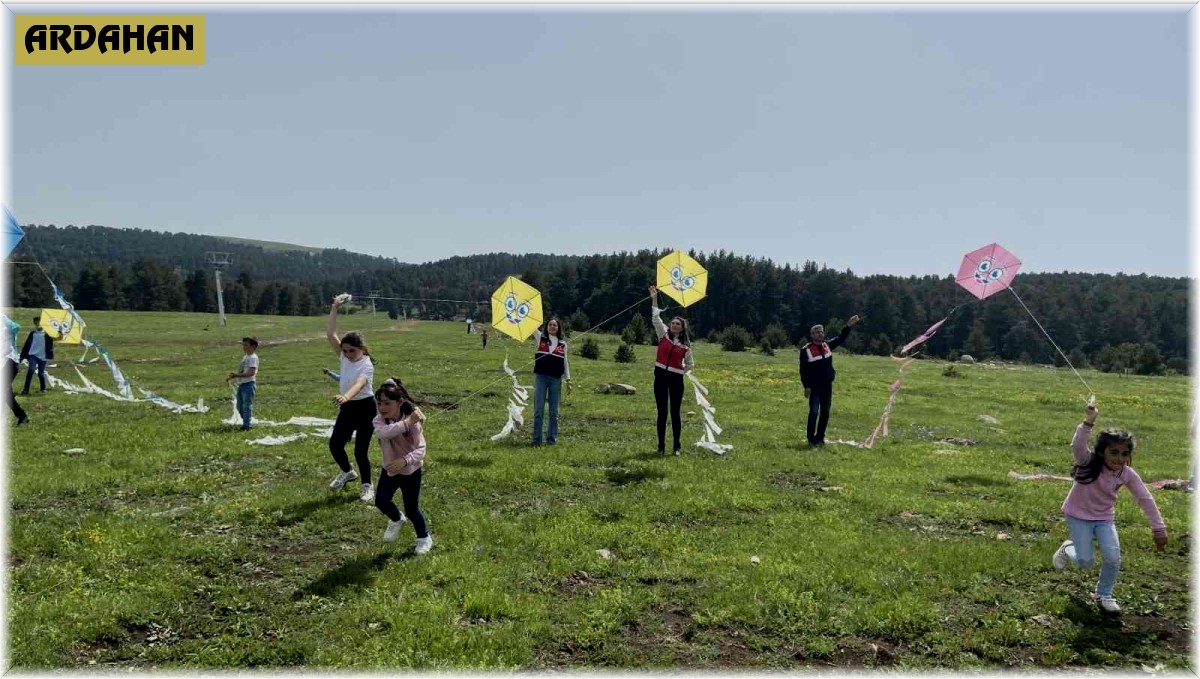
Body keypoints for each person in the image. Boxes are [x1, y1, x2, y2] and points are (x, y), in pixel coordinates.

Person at [1052, 401, 1167, 613]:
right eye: (1114, 453)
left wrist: (1158, 528)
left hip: (1104, 519)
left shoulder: (1127, 474)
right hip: (1078, 515)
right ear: (1102, 452)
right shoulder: (1087, 461)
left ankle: (1104, 594)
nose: (1120, 458)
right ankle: (1068, 549)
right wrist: (1089, 421)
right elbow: (1077, 446)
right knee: (1085, 561)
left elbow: (1145, 498)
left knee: (1113, 557)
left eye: (1125, 454)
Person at [372, 377, 432, 554]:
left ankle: (424, 538)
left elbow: (421, 449)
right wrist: (407, 422)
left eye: (387, 403)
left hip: (411, 471)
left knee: (412, 509)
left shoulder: (413, 424)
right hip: (389, 470)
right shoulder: (379, 421)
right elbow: (384, 433)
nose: (382, 408)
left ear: (399, 403)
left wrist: (405, 461)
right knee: (381, 501)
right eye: (379, 403)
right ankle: (397, 518)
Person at [326, 296, 377, 503]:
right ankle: (347, 472)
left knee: (360, 451)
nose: (347, 354)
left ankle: (367, 485)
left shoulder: (367, 365)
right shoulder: (343, 356)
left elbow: (360, 384)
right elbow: (330, 334)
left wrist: (345, 396)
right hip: (348, 408)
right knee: (335, 445)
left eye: (352, 351)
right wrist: (335, 307)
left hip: (365, 408)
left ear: (362, 349)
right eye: (345, 351)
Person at [799, 315, 861, 447]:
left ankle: (820, 438)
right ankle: (811, 439)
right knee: (814, 412)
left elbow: (841, 338)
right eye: (817, 332)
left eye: (821, 331)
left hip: (827, 386)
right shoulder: (806, 350)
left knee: (825, 412)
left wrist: (848, 326)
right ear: (812, 335)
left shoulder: (827, 345)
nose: (820, 334)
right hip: (815, 387)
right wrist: (806, 386)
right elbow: (803, 370)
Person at [648, 285, 693, 455]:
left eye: (677, 324)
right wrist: (654, 297)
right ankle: (661, 447)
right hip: (660, 376)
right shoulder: (663, 335)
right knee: (662, 413)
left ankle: (677, 446)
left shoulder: (685, 346)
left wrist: (680, 371)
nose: (674, 325)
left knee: (675, 413)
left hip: (676, 380)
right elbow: (655, 318)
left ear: (682, 328)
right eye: (673, 323)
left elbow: (690, 364)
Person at [530, 317, 573, 446]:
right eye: (550, 324)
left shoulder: (563, 344)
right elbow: (532, 327)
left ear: (558, 328)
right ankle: (536, 440)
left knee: (554, 412)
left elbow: (565, 362)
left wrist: (568, 380)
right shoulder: (540, 337)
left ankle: (551, 440)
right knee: (539, 410)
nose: (552, 327)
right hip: (541, 378)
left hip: (555, 379)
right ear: (546, 327)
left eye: (555, 325)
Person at [227, 337, 259, 431]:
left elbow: (251, 373)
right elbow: (243, 370)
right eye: (243, 345)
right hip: (242, 384)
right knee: (239, 406)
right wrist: (234, 377)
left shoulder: (252, 358)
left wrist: (237, 375)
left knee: (246, 405)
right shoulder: (246, 357)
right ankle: (246, 420)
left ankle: (246, 426)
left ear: (253, 346)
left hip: (249, 384)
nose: (244, 347)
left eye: (246, 345)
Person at [19, 316, 53, 395]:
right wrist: (22, 356)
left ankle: (43, 388)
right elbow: (26, 344)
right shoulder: (32, 334)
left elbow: (58, 338)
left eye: (40, 323)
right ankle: (26, 390)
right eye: (36, 323)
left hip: (43, 356)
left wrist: (60, 332)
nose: (38, 325)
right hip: (33, 355)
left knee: (40, 373)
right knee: (31, 370)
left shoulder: (47, 334)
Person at [3, 320, 27, 425]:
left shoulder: (6, 326)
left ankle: (22, 416)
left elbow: (16, 327)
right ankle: (22, 416)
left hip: (9, 362)